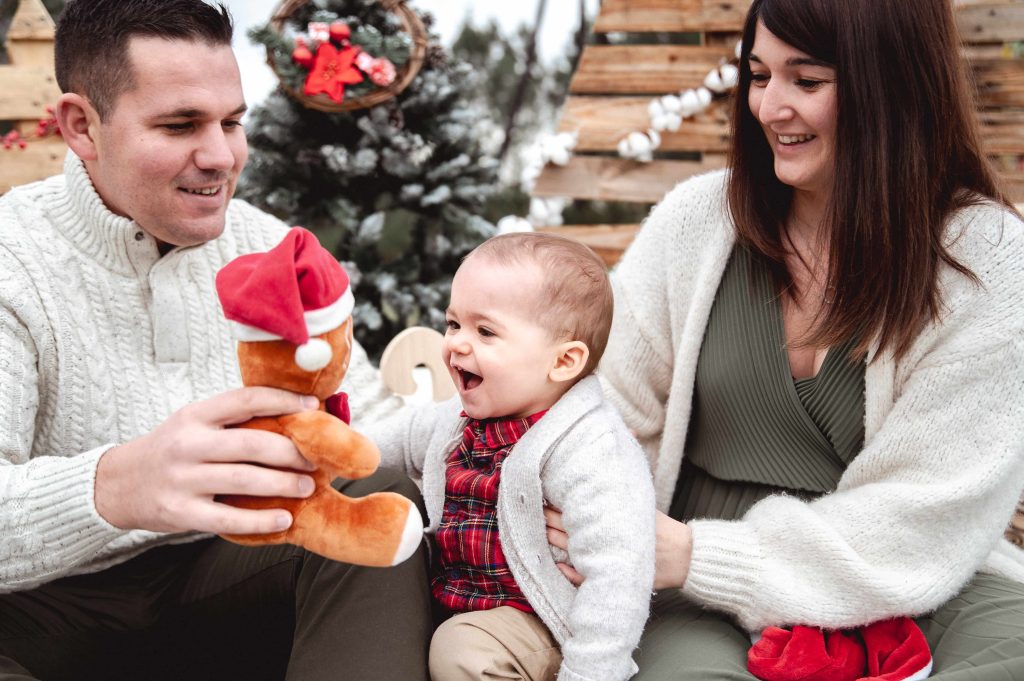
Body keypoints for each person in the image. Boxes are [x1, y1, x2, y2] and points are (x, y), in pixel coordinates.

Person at [545, 0, 1024, 678]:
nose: (770, 107)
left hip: (913, 577)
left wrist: (695, 553)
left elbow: (930, 508)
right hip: (695, 589)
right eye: (758, 75)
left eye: (807, 81)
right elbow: (604, 410)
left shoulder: (986, 254)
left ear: (890, 85)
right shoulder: (696, 222)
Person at [0, 1, 431, 679]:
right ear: (81, 126)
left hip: (220, 577)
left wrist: (498, 446)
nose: (221, 156)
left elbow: (375, 426)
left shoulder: (268, 244)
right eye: (180, 125)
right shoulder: (11, 258)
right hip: (40, 612)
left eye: (232, 122)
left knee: (382, 497)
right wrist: (114, 485)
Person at [364, 232, 656, 681]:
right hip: (457, 601)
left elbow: (619, 579)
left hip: (544, 623)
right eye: (453, 323)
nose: (457, 343)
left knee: (462, 651)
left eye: (485, 331)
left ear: (562, 362)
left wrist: (589, 674)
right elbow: (383, 447)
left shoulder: (591, 448)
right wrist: (323, 452)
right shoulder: (454, 421)